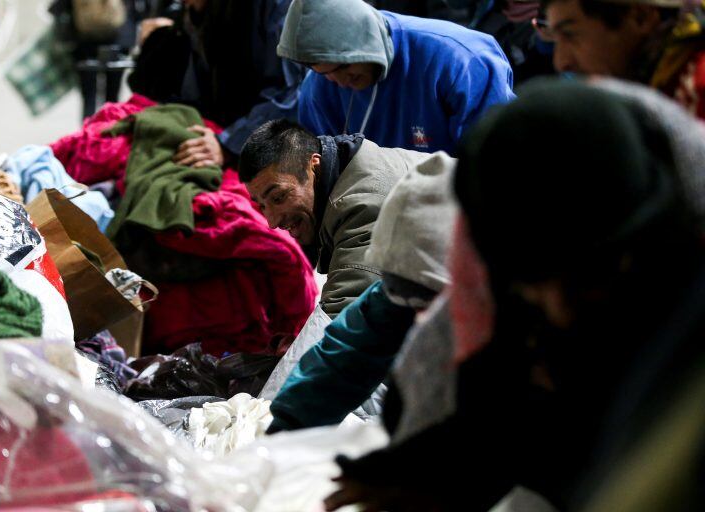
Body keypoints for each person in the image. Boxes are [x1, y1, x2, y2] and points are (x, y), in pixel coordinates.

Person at [323, 79, 705, 512]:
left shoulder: (684, 282)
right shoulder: (497, 257)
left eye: (584, 283)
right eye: (531, 287)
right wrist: (427, 472)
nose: (557, 307)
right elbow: (495, 401)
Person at [267, 152, 457, 432]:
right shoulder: (399, 290)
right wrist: (283, 427)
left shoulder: (527, 302)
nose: (412, 312)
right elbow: (347, 356)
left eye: (424, 298)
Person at [239, 119, 430, 318]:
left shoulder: (362, 203)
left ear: (314, 167)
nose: (271, 221)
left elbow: (342, 319)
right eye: (261, 205)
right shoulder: (344, 177)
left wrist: (302, 347)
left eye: (278, 198)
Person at [277, 0, 515, 155]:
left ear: (364, 43)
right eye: (324, 73)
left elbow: (496, 160)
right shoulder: (318, 91)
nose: (339, 81)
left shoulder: (461, 60)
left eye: (344, 68)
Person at [157, 0, 306, 169]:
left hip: (272, 146)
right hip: (222, 134)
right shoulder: (198, 10)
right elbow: (195, 92)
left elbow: (290, 93)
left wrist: (228, 144)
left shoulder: (274, 6)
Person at [540, 0, 705, 119]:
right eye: (554, 38)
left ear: (640, 17)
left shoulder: (696, 91)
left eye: (570, 34)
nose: (560, 62)